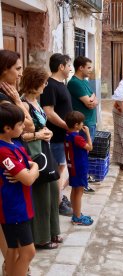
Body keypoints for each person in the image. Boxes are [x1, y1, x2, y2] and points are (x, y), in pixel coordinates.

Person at [20, 66, 62, 250]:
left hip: (44, 148)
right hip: (34, 151)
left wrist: (46, 133)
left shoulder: (35, 102)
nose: (45, 85)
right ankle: (41, 237)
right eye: (43, 82)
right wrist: (38, 135)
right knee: (41, 195)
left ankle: (52, 231)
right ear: (34, 83)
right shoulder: (23, 104)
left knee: (52, 190)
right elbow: (19, 135)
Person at [0, 50, 35, 269]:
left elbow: (28, 124)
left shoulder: (11, 94)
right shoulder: (5, 101)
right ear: (4, 70)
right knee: (14, 253)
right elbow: (29, 124)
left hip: (17, 177)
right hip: (9, 197)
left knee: (16, 252)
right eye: (18, 69)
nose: (21, 74)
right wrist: (15, 100)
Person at [0, 103, 39, 276]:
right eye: (20, 125)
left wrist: (33, 167)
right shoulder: (3, 151)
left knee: (14, 251)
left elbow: (29, 166)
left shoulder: (15, 145)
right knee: (28, 252)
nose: (24, 127)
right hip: (13, 209)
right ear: (7, 128)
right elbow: (29, 178)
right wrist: (33, 170)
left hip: (21, 206)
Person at [40, 53, 73, 216]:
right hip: (56, 136)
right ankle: (58, 202)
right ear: (61, 66)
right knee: (57, 169)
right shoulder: (51, 85)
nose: (70, 68)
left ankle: (59, 197)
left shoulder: (61, 84)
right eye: (68, 65)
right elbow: (49, 112)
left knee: (62, 168)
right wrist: (67, 126)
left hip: (63, 135)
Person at [67, 56, 99, 193]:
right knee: (82, 153)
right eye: (89, 67)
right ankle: (82, 182)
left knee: (86, 153)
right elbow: (90, 103)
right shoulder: (74, 83)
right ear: (81, 68)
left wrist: (92, 99)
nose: (91, 70)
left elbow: (95, 98)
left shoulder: (84, 82)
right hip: (82, 124)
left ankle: (85, 177)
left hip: (90, 121)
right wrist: (92, 100)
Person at [64, 111, 94, 226]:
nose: (83, 125)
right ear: (76, 125)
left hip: (72, 167)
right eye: (81, 123)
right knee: (79, 191)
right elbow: (90, 147)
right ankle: (77, 217)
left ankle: (76, 213)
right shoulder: (77, 138)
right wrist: (87, 134)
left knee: (74, 190)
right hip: (80, 167)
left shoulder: (67, 134)